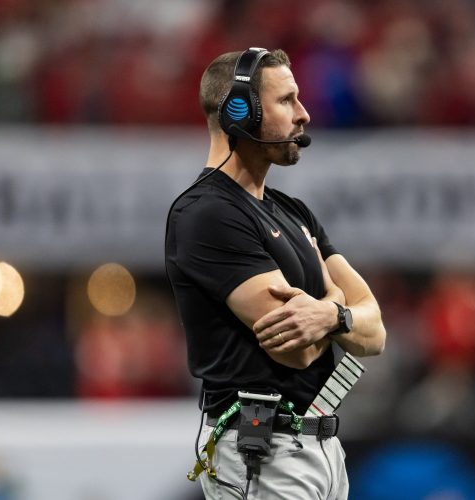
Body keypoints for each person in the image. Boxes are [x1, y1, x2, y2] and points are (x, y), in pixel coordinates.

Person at [165, 47, 386, 500]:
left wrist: (330, 316)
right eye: (286, 100)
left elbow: (375, 332)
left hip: (321, 447)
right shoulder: (208, 213)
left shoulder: (293, 211)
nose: (304, 115)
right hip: (264, 455)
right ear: (239, 113)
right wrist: (342, 310)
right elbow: (297, 352)